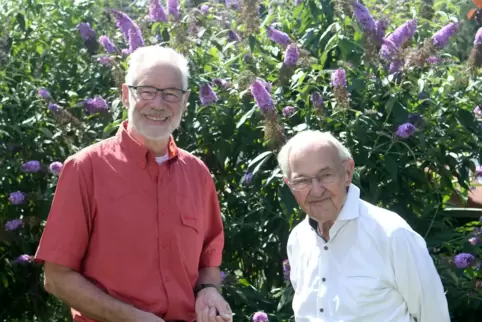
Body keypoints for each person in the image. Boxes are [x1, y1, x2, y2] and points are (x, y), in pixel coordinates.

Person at [34, 45, 232, 322]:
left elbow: (208, 261)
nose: (158, 104)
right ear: (126, 95)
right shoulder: (85, 169)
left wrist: (209, 290)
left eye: (171, 94)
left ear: (185, 102)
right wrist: (133, 318)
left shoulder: (198, 174)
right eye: (147, 91)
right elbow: (56, 278)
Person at [277, 130, 451, 322]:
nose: (316, 191)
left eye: (325, 175)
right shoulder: (298, 240)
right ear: (289, 185)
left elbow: (434, 316)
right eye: (302, 181)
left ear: (348, 173)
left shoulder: (392, 235)